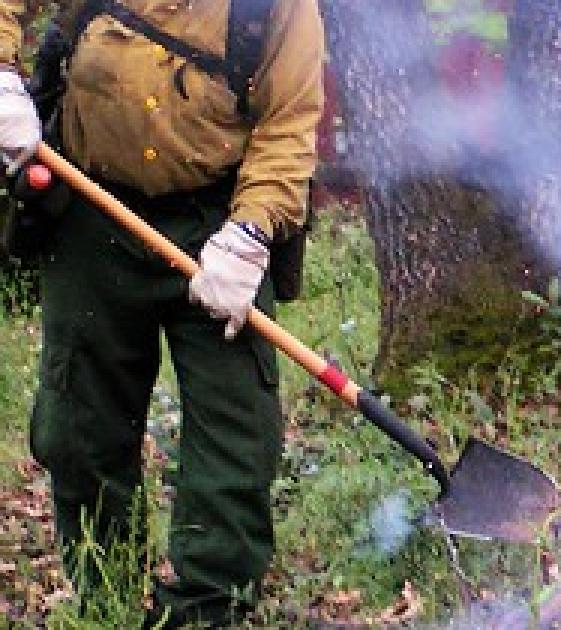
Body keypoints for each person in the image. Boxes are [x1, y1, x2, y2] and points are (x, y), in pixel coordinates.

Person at [0, 0, 324, 626]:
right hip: (91, 210)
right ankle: (108, 592)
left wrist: (251, 234)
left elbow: (289, 125)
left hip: (219, 223)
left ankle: (206, 608)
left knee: (236, 438)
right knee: (78, 429)